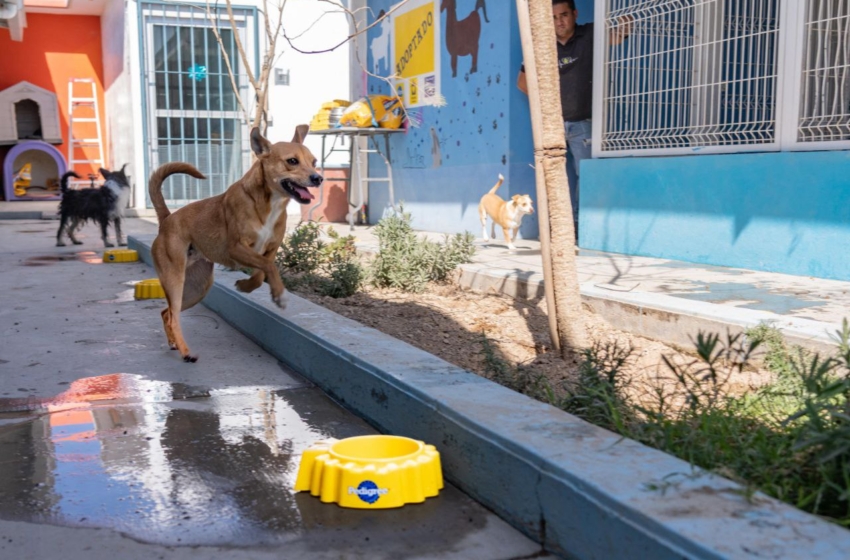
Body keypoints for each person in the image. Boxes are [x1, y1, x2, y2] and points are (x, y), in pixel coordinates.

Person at [517, 0, 630, 241]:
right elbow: (523, 83)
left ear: (575, 14)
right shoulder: (542, 45)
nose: (560, 21)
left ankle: (580, 227)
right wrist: (548, 108)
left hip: (583, 123)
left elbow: (618, 37)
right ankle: (557, 229)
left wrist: (626, 22)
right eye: (555, 17)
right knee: (551, 177)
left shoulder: (589, 34)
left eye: (564, 15)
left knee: (586, 176)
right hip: (552, 125)